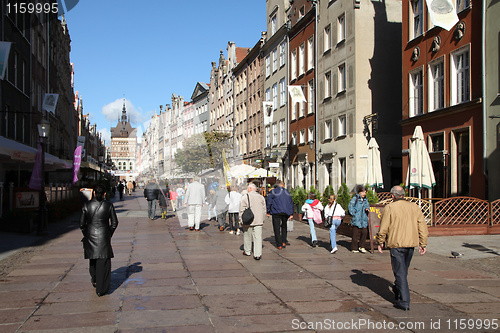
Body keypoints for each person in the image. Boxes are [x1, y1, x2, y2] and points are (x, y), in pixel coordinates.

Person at [376, 185, 428, 311]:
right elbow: (422, 226)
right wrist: (423, 243)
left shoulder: (390, 207)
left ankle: (404, 301)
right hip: (410, 244)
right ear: (403, 195)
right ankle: (398, 290)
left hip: (396, 244)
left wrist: (380, 241)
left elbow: (384, 227)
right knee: (403, 271)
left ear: (392, 196)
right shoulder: (414, 207)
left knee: (400, 273)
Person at [79, 184, 118, 296]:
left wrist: (86, 234)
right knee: (104, 262)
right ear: (104, 194)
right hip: (104, 235)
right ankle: (102, 288)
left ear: (94, 193)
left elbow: (81, 224)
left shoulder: (86, 205)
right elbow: (114, 223)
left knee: (93, 259)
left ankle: (94, 279)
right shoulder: (108, 205)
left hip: (90, 235)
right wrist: (108, 233)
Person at [240, 183, 267, 260]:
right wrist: (262, 219)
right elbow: (264, 209)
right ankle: (257, 254)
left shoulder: (245, 197)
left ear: (250, 189)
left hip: (248, 220)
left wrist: (241, 220)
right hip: (258, 220)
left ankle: (247, 251)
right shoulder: (261, 197)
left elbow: (241, 209)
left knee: (247, 236)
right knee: (258, 237)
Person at [266, 180, 294, 249]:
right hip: (285, 212)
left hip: (276, 212)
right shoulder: (287, 191)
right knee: (284, 227)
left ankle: (279, 244)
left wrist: (268, 211)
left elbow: (269, 201)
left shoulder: (273, 191)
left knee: (277, 228)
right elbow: (290, 202)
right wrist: (291, 213)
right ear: (283, 185)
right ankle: (284, 241)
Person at [348, 185, 370, 253]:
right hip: (357, 219)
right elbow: (350, 206)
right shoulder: (355, 198)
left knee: (364, 232)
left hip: (363, 219)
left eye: (365, 192)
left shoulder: (365, 199)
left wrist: (367, 209)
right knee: (355, 234)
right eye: (363, 192)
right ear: (359, 192)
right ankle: (354, 247)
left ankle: (362, 246)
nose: (364, 194)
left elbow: (367, 205)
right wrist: (354, 214)